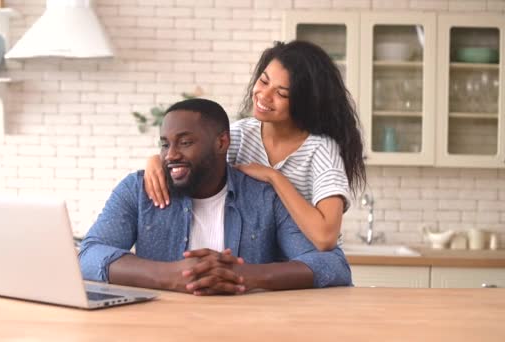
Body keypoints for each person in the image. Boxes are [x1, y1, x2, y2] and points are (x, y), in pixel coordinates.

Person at [79, 98, 351, 296]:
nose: (171, 154)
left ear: (222, 143)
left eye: (185, 143)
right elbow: (89, 256)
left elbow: (333, 266)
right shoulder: (138, 190)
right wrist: (170, 276)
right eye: (165, 144)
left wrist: (249, 276)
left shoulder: (263, 197)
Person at [143, 40, 366, 251]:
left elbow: (325, 238)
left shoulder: (321, 151)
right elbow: (194, 163)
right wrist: (155, 161)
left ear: (304, 102)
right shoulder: (238, 135)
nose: (264, 96)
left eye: (281, 93)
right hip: (252, 266)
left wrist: (273, 177)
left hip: (303, 268)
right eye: (264, 81)